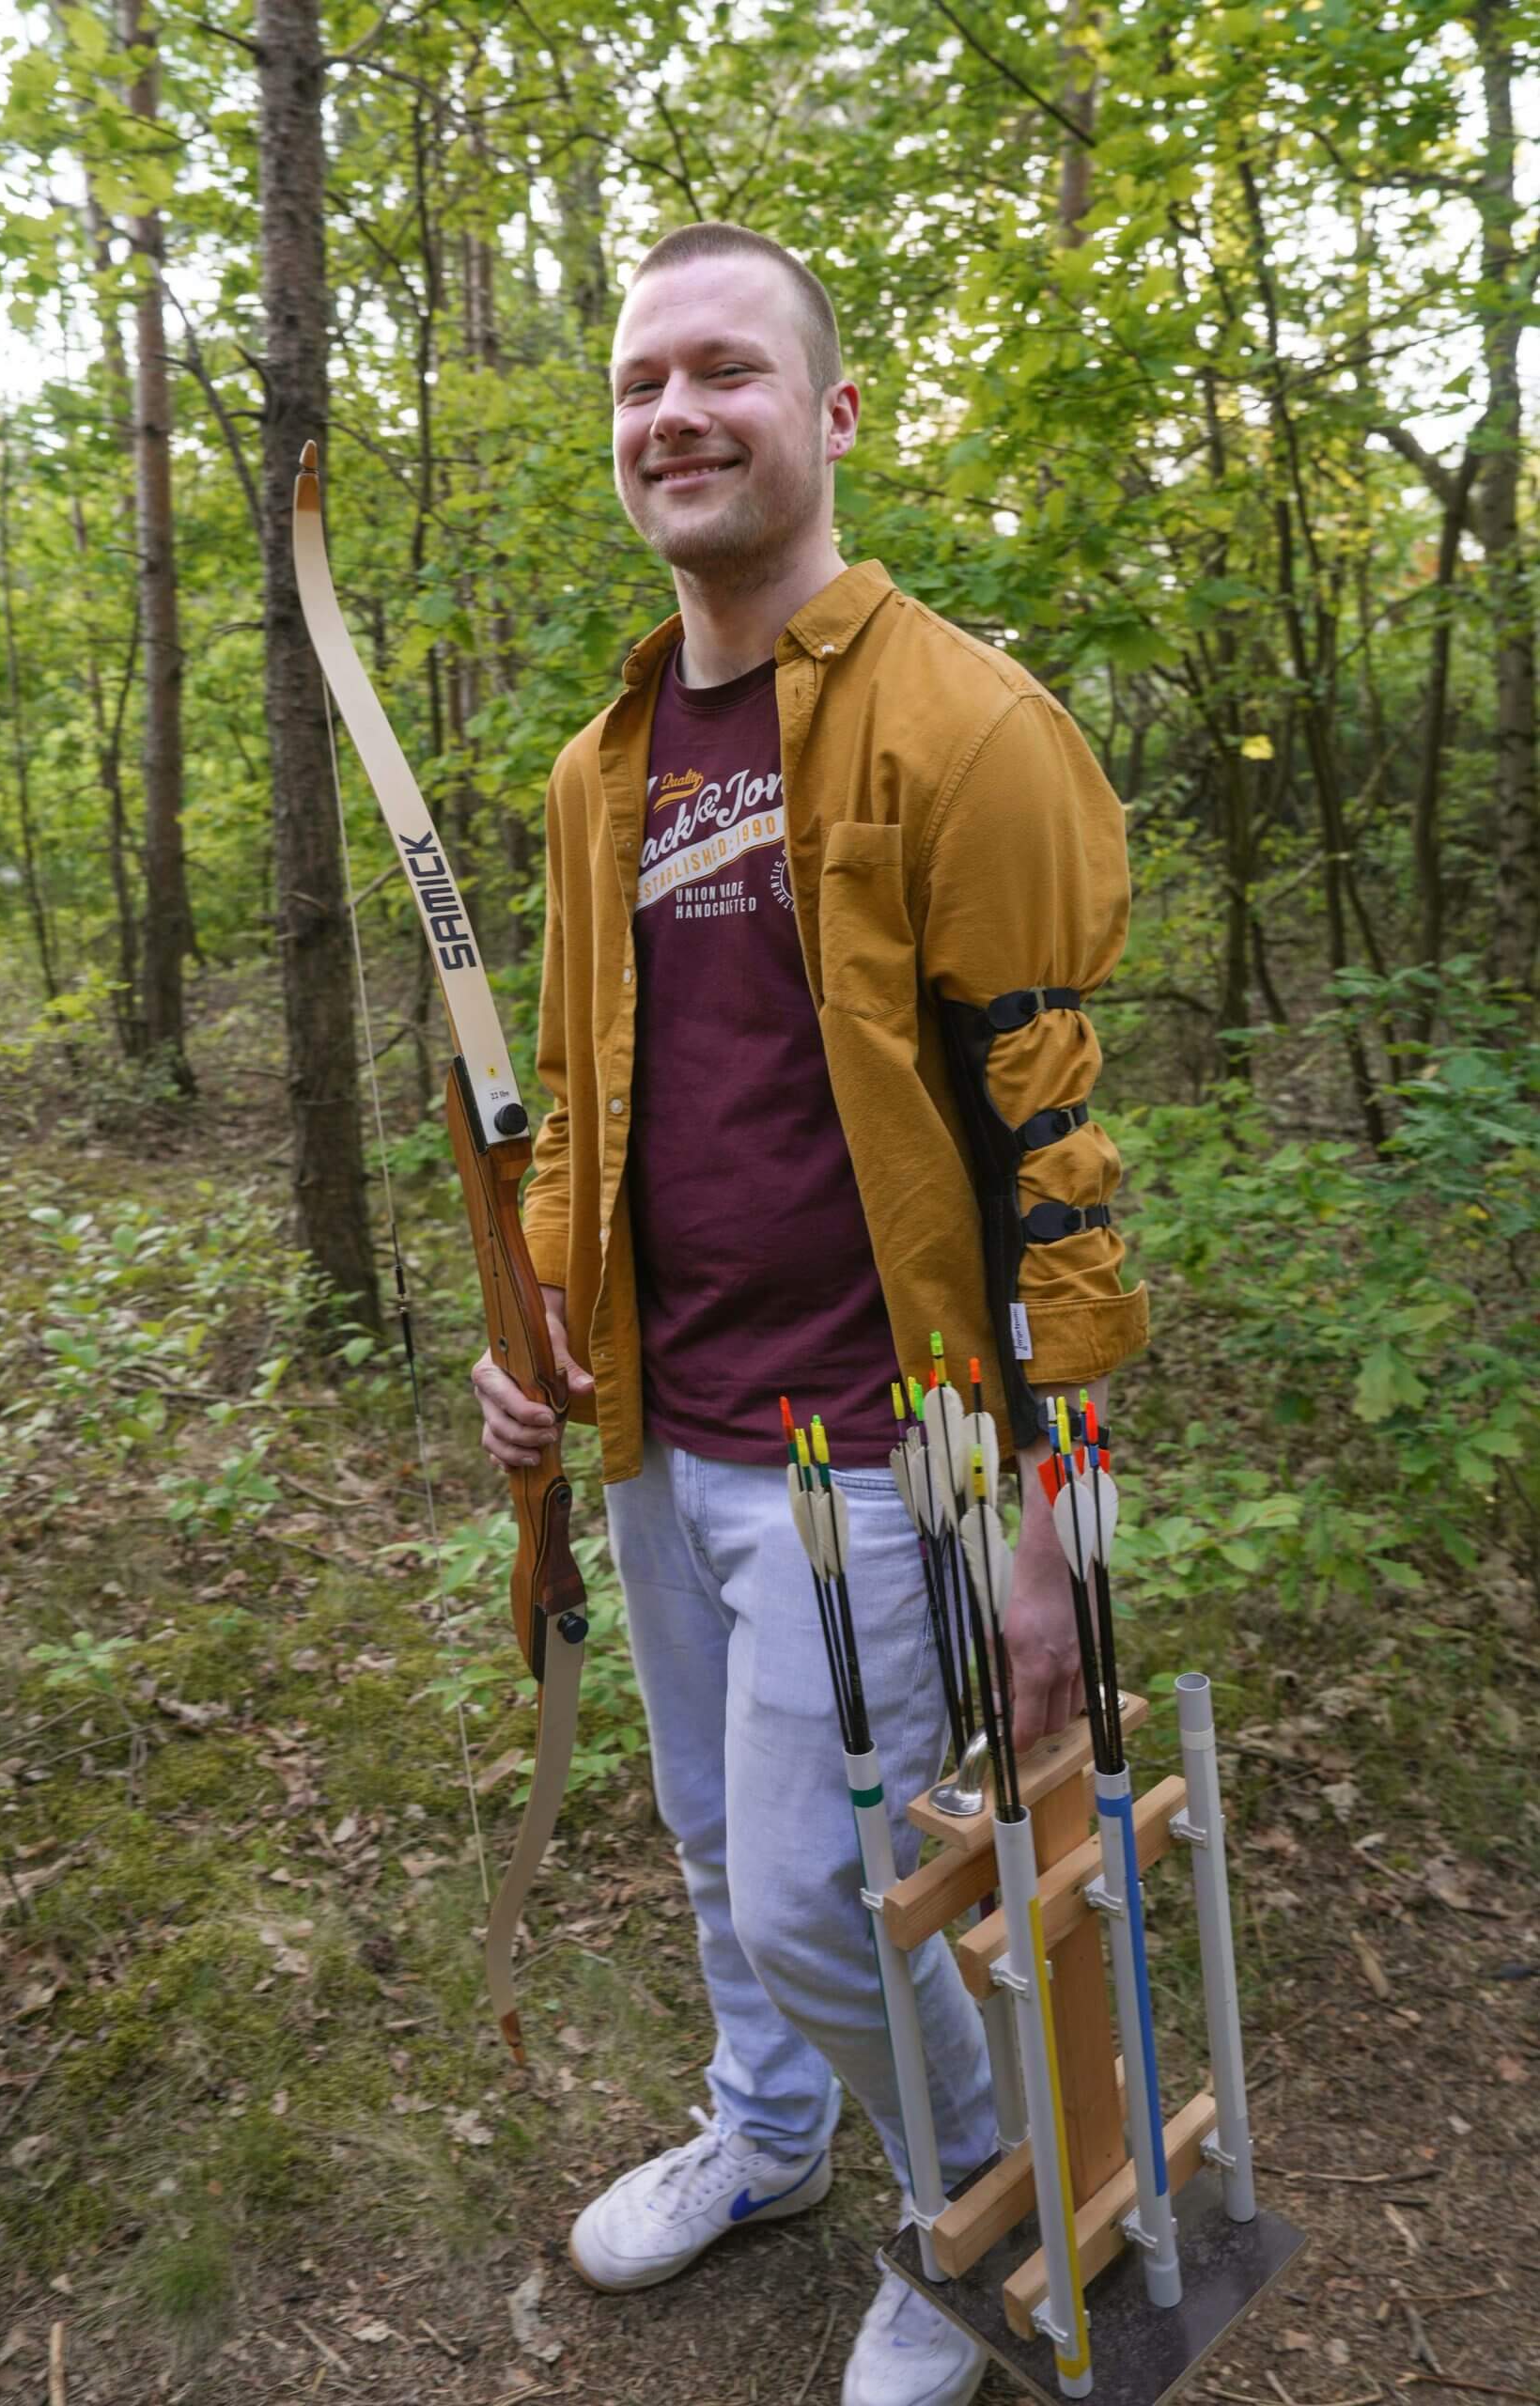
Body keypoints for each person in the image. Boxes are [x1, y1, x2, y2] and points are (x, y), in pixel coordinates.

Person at [473, 222, 1146, 2406]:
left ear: (831, 411)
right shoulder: (597, 770)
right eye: (639, 381)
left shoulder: (968, 729)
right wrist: (542, 1320)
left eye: (725, 370)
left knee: (809, 1897)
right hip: (660, 1427)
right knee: (710, 1841)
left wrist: (1052, 1510)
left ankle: (984, 2203)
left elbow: (1051, 1162)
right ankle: (767, 2134)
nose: (674, 411)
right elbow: (584, 1100)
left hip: (877, 1449)